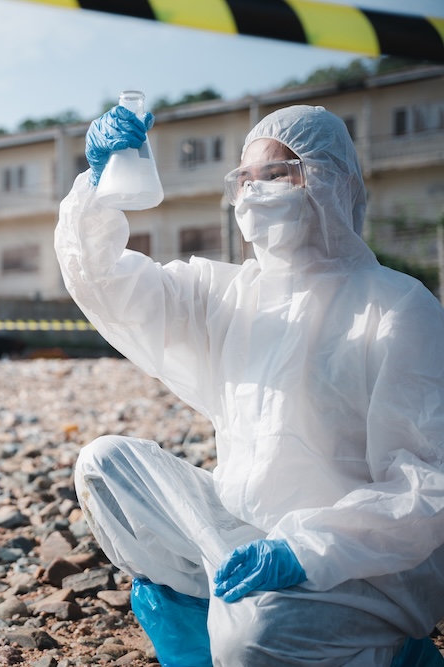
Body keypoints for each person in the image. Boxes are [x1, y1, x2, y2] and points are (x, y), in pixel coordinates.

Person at [55, 103, 444, 665]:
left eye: (278, 175)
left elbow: (426, 484)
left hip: (361, 561)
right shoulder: (230, 295)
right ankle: (208, 621)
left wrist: (305, 549)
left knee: (250, 638)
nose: (257, 192)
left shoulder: (396, 307)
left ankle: (391, 650)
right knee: (106, 467)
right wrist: (96, 188)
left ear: (329, 181)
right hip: (247, 527)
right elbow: (108, 287)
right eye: (246, 179)